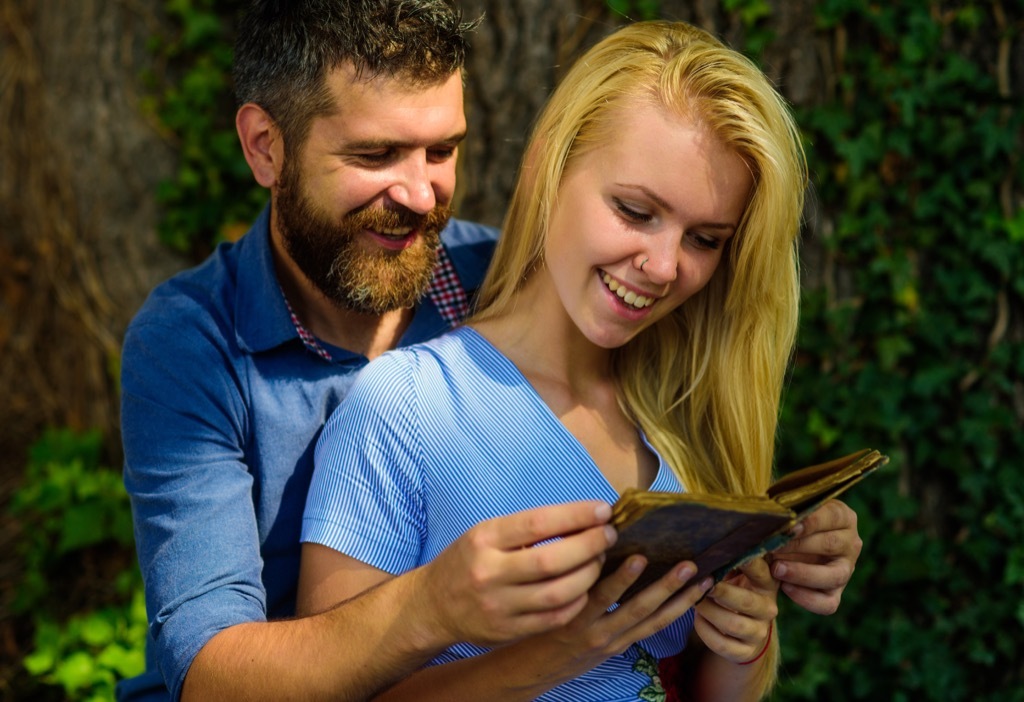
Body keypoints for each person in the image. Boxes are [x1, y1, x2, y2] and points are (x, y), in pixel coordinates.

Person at [118, 2, 864, 701]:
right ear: (265, 147)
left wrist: (762, 567)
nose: (420, 195)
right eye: (375, 154)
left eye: (442, 150)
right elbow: (207, 671)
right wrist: (436, 605)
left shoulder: (569, 300)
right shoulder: (195, 343)